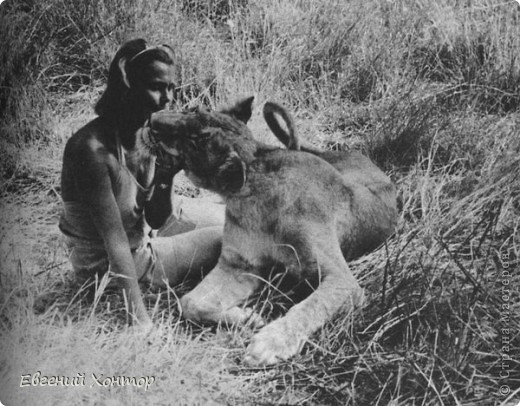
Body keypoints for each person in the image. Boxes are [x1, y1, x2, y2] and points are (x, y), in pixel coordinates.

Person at [59, 39, 225, 326]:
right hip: (111, 267)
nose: (168, 97)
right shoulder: (90, 150)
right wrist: (140, 321)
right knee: (227, 235)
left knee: (227, 214)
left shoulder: (147, 133)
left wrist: (165, 179)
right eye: (157, 87)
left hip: (143, 238)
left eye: (171, 88)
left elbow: (157, 220)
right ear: (127, 87)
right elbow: (116, 243)